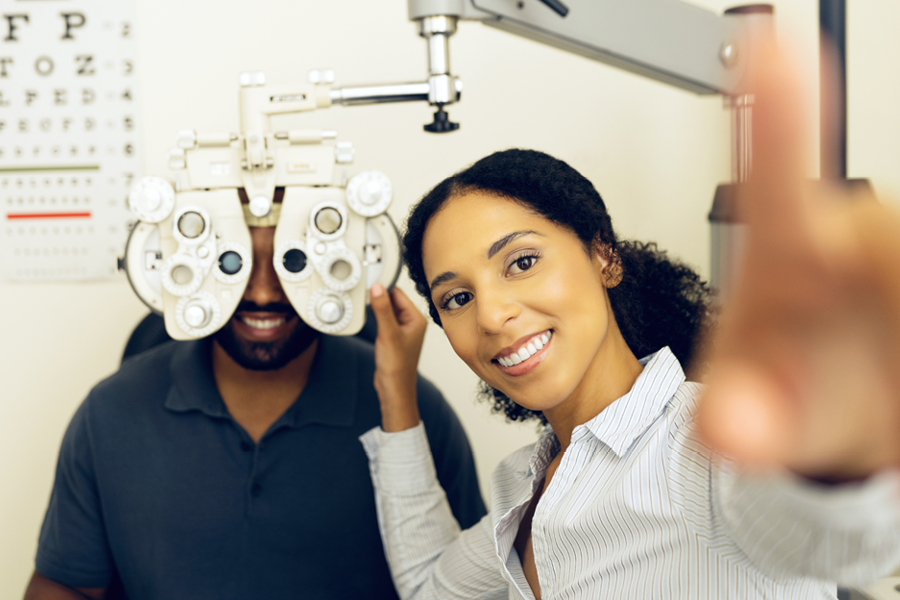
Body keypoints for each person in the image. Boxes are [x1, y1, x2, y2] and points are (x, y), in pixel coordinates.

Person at [360, 45, 900, 599]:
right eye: (457, 298)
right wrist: (395, 388)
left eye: (522, 262)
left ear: (604, 257)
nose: (492, 315)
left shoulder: (698, 447)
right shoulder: (520, 488)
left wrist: (839, 466)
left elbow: (828, 541)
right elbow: (430, 587)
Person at [24, 219, 486, 599]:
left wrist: (396, 398)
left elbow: (468, 584)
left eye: (293, 261)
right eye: (233, 262)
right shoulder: (113, 410)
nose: (263, 292)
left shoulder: (411, 408)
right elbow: (66, 584)